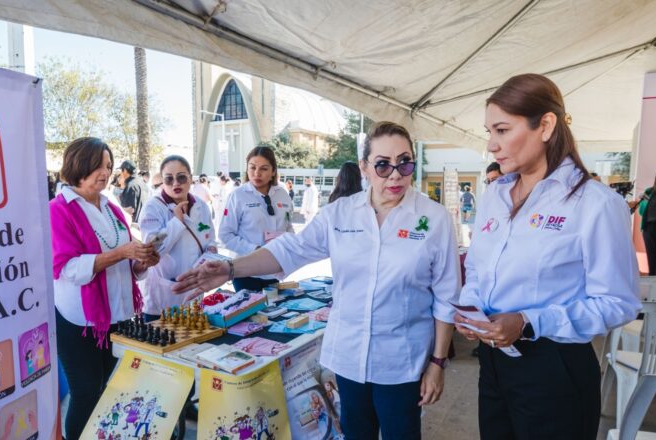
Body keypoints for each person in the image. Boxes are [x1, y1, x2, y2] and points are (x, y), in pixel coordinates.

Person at [176, 122, 459, 439]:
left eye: (405, 163)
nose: (395, 175)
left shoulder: (434, 219)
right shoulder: (341, 214)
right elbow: (290, 249)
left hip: (402, 362)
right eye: (382, 165)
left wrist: (437, 363)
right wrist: (230, 268)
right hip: (349, 358)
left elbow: (447, 297)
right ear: (364, 167)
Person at [454, 74, 640, 440]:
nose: (492, 145)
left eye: (503, 130)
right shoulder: (495, 195)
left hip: (554, 367)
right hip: (493, 363)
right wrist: (472, 308)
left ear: (546, 125)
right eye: (489, 132)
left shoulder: (595, 204)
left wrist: (528, 320)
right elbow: (476, 269)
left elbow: (619, 302)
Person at [49, 137, 159, 440]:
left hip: (117, 313)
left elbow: (124, 262)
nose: (105, 172)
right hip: (79, 320)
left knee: (107, 387)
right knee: (85, 391)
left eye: (109, 166)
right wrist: (121, 254)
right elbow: (66, 268)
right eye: (98, 165)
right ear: (78, 165)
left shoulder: (110, 206)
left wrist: (142, 261)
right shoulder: (58, 210)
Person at [139, 155, 216, 321]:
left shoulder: (201, 206)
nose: (176, 183)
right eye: (169, 179)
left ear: (190, 178)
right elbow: (152, 248)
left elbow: (210, 237)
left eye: (181, 177)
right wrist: (176, 222)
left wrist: (211, 250)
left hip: (194, 294)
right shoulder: (153, 207)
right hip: (163, 297)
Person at [217, 146, 294, 293]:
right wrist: (256, 250)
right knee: (250, 313)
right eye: (252, 168)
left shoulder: (283, 195)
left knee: (273, 312)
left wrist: (289, 244)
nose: (257, 173)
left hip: (275, 268)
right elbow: (225, 236)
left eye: (264, 169)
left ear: (273, 172)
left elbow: (289, 226)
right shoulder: (238, 196)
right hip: (245, 271)